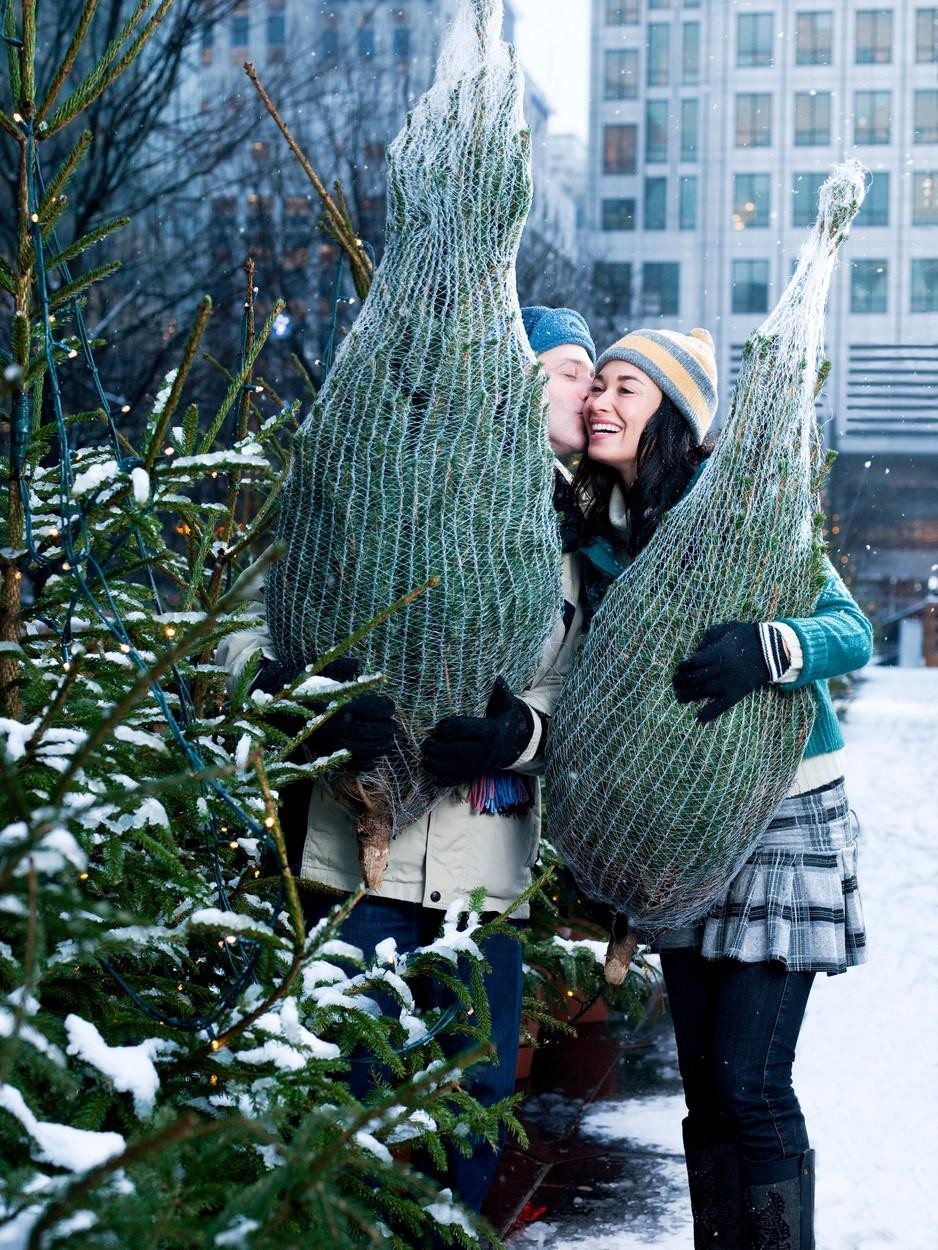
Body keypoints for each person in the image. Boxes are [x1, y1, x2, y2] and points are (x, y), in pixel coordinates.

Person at [217, 305, 595, 1214]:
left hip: (481, 887)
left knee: (475, 1102)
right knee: (338, 1093)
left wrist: (520, 737)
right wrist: (295, 694)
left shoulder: (566, 534)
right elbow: (243, 614)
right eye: (570, 369)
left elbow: (573, 693)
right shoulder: (389, 485)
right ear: (507, 375)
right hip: (356, 871)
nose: (587, 390)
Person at [573, 327, 873, 1250]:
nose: (600, 403)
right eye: (597, 387)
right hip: (686, 837)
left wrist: (769, 647)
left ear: (671, 414)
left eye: (626, 388)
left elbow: (849, 628)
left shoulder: (740, 510)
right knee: (705, 1084)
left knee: (750, 1079)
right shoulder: (598, 539)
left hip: (783, 819)